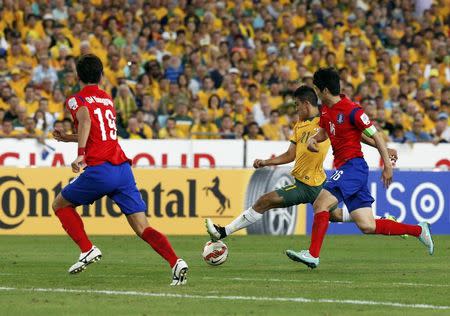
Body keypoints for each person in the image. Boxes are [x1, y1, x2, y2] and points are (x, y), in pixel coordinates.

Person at [51, 54, 188, 285]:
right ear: (102, 75)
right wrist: (67, 138)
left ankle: (86, 249)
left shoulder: (75, 100)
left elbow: (85, 121)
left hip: (100, 169)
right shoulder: (106, 99)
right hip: (122, 169)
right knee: (142, 227)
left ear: (77, 75)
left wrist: (81, 154)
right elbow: (98, 132)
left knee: (60, 204)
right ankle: (176, 262)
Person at [205, 86, 397, 242]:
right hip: (313, 184)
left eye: (297, 105)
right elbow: (290, 154)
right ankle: (383, 221)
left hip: (309, 185)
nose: (296, 109)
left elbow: (358, 134)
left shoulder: (325, 119)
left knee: (264, 200)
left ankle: (223, 232)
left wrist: (384, 149)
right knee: (335, 215)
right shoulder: (299, 125)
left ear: (306, 104)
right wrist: (266, 162)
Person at [286, 68, 433, 269]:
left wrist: (387, 164)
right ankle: (419, 230)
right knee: (367, 225)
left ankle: (312, 255)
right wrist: (313, 139)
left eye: (317, 89)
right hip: (348, 169)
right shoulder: (327, 111)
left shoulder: (352, 110)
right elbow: (326, 132)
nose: (316, 93)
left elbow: (375, 135)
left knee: (320, 204)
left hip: (353, 167)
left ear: (325, 90)